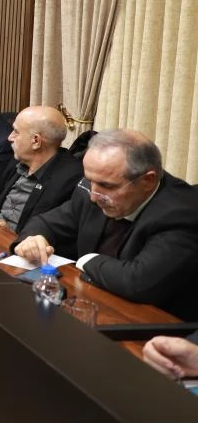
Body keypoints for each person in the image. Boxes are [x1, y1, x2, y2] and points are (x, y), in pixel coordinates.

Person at [12, 129, 198, 319]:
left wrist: (86, 261)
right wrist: (33, 239)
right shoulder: (95, 188)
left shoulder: (182, 213)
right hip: (92, 303)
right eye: (90, 180)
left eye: (107, 186)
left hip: (154, 324)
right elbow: (45, 222)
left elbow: (138, 282)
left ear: (147, 181)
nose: (93, 196)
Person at [0, 106, 82, 232]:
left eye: (16, 132)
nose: (10, 137)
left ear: (36, 141)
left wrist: (9, 233)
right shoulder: (18, 162)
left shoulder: (70, 179)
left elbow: (54, 231)